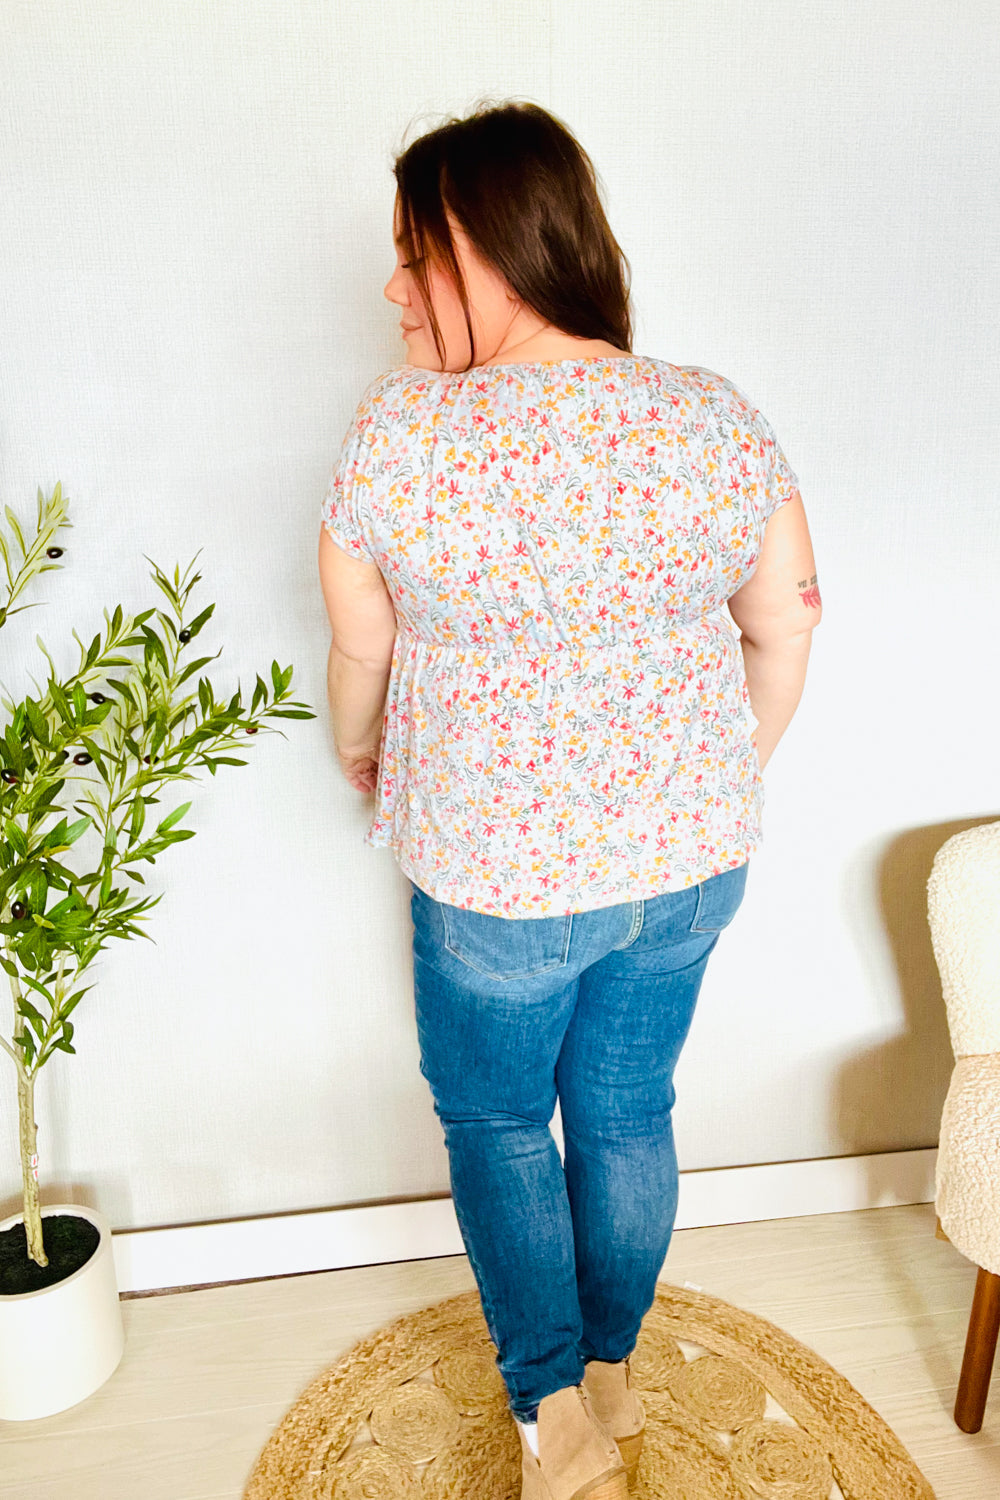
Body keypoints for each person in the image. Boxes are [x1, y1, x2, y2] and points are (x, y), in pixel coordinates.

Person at [317, 100, 821, 1500]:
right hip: (692, 866)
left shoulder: (399, 434)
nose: (393, 288)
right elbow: (786, 630)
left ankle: (552, 1416)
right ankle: (610, 1364)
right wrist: (720, 781)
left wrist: (360, 753)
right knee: (628, 1112)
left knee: (498, 1128)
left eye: (413, 254)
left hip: (494, 883)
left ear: (485, 245)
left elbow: (360, 654)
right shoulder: (711, 413)